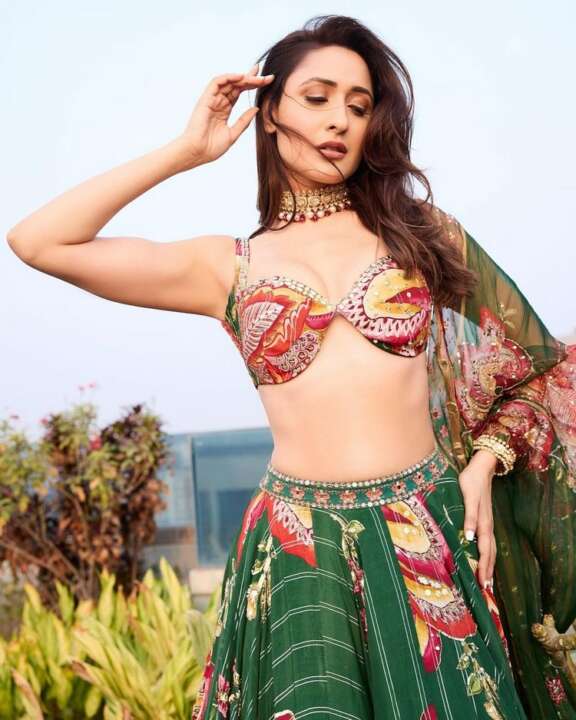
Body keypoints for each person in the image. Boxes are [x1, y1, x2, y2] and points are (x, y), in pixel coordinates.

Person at [7, 13, 575, 720]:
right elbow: (38, 242)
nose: (340, 119)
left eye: (359, 106)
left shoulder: (425, 236)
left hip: (427, 530)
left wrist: (485, 463)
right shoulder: (228, 267)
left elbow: (540, 368)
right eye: (317, 97)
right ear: (270, 112)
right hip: (299, 549)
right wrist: (186, 151)